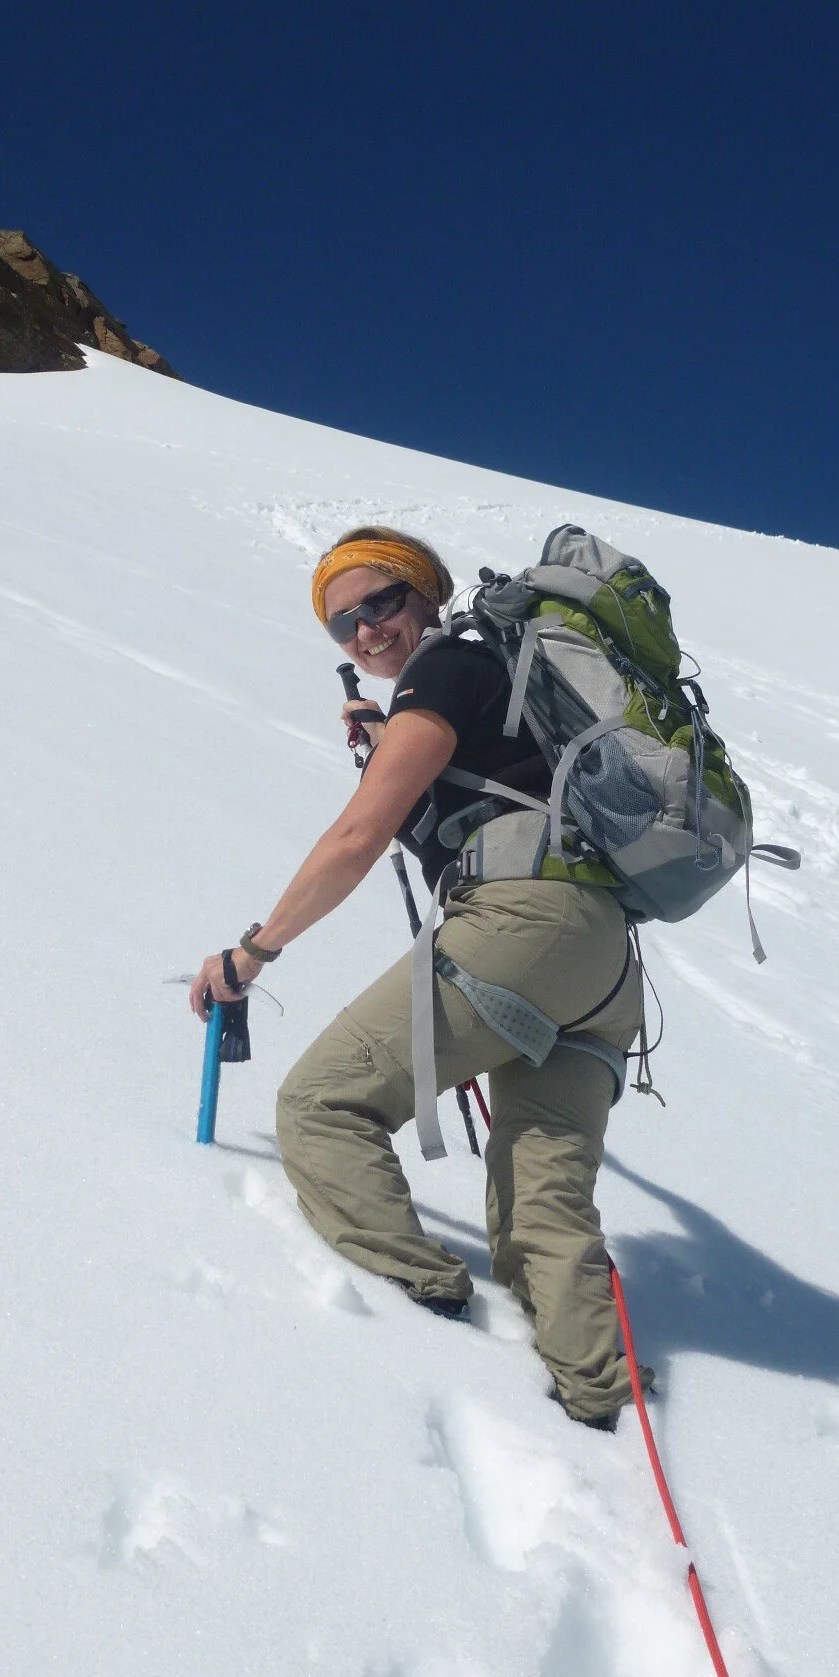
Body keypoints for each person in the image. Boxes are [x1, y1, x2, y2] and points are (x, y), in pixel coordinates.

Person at [189, 525, 646, 1429]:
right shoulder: (496, 680)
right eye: (343, 625)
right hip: (604, 965)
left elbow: (357, 837)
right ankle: (603, 1404)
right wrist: (396, 732)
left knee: (321, 1104)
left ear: (426, 592)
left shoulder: (448, 666)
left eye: (382, 602)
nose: (366, 631)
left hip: (519, 929)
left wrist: (253, 952)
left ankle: (425, 1315)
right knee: (541, 1208)